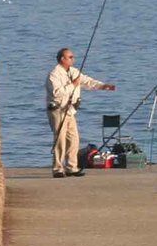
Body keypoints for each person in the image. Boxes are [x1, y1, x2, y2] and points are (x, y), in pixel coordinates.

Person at [45, 47, 114, 178]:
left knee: (74, 139)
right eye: (70, 57)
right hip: (58, 111)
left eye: (73, 57)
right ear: (62, 59)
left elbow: (86, 81)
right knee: (60, 140)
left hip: (70, 111)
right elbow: (56, 93)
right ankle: (58, 168)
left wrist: (102, 86)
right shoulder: (54, 75)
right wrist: (73, 84)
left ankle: (72, 167)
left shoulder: (74, 71)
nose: (73, 59)